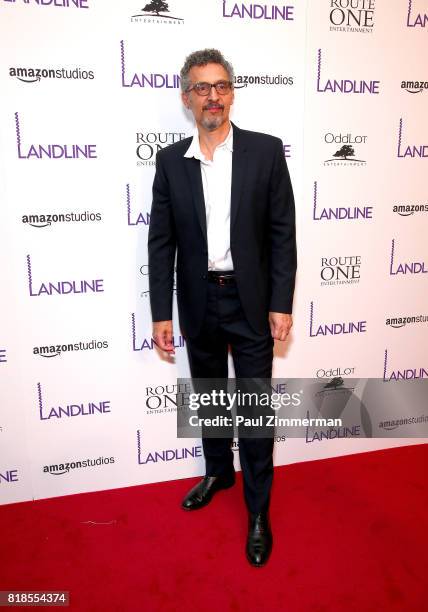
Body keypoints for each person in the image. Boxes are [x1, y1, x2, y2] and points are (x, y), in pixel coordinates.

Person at [148, 48, 297, 567]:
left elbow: (283, 233)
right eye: (202, 87)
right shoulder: (170, 161)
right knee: (209, 393)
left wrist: (281, 302)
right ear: (187, 97)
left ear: (232, 91)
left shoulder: (265, 151)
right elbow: (161, 242)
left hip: (251, 300)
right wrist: (161, 314)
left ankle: (258, 510)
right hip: (197, 298)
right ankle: (217, 471)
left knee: (255, 410)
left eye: (222, 86)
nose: (214, 97)